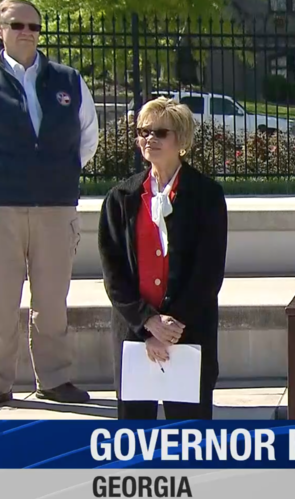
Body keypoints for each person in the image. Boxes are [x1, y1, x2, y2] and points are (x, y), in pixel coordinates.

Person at [0, 0, 98, 410]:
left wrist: (51, 176)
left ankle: (55, 379)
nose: (26, 32)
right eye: (17, 25)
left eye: (33, 26)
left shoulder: (67, 80)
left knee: (51, 303)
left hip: (54, 207)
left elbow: (87, 140)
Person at [98, 97, 228, 420]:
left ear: (180, 140)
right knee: (135, 442)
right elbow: (113, 273)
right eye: (143, 132)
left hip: (189, 333)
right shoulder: (121, 198)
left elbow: (208, 272)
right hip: (135, 336)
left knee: (189, 442)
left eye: (160, 132)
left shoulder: (206, 196)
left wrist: (171, 326)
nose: (149, 139)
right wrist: (147, 323)